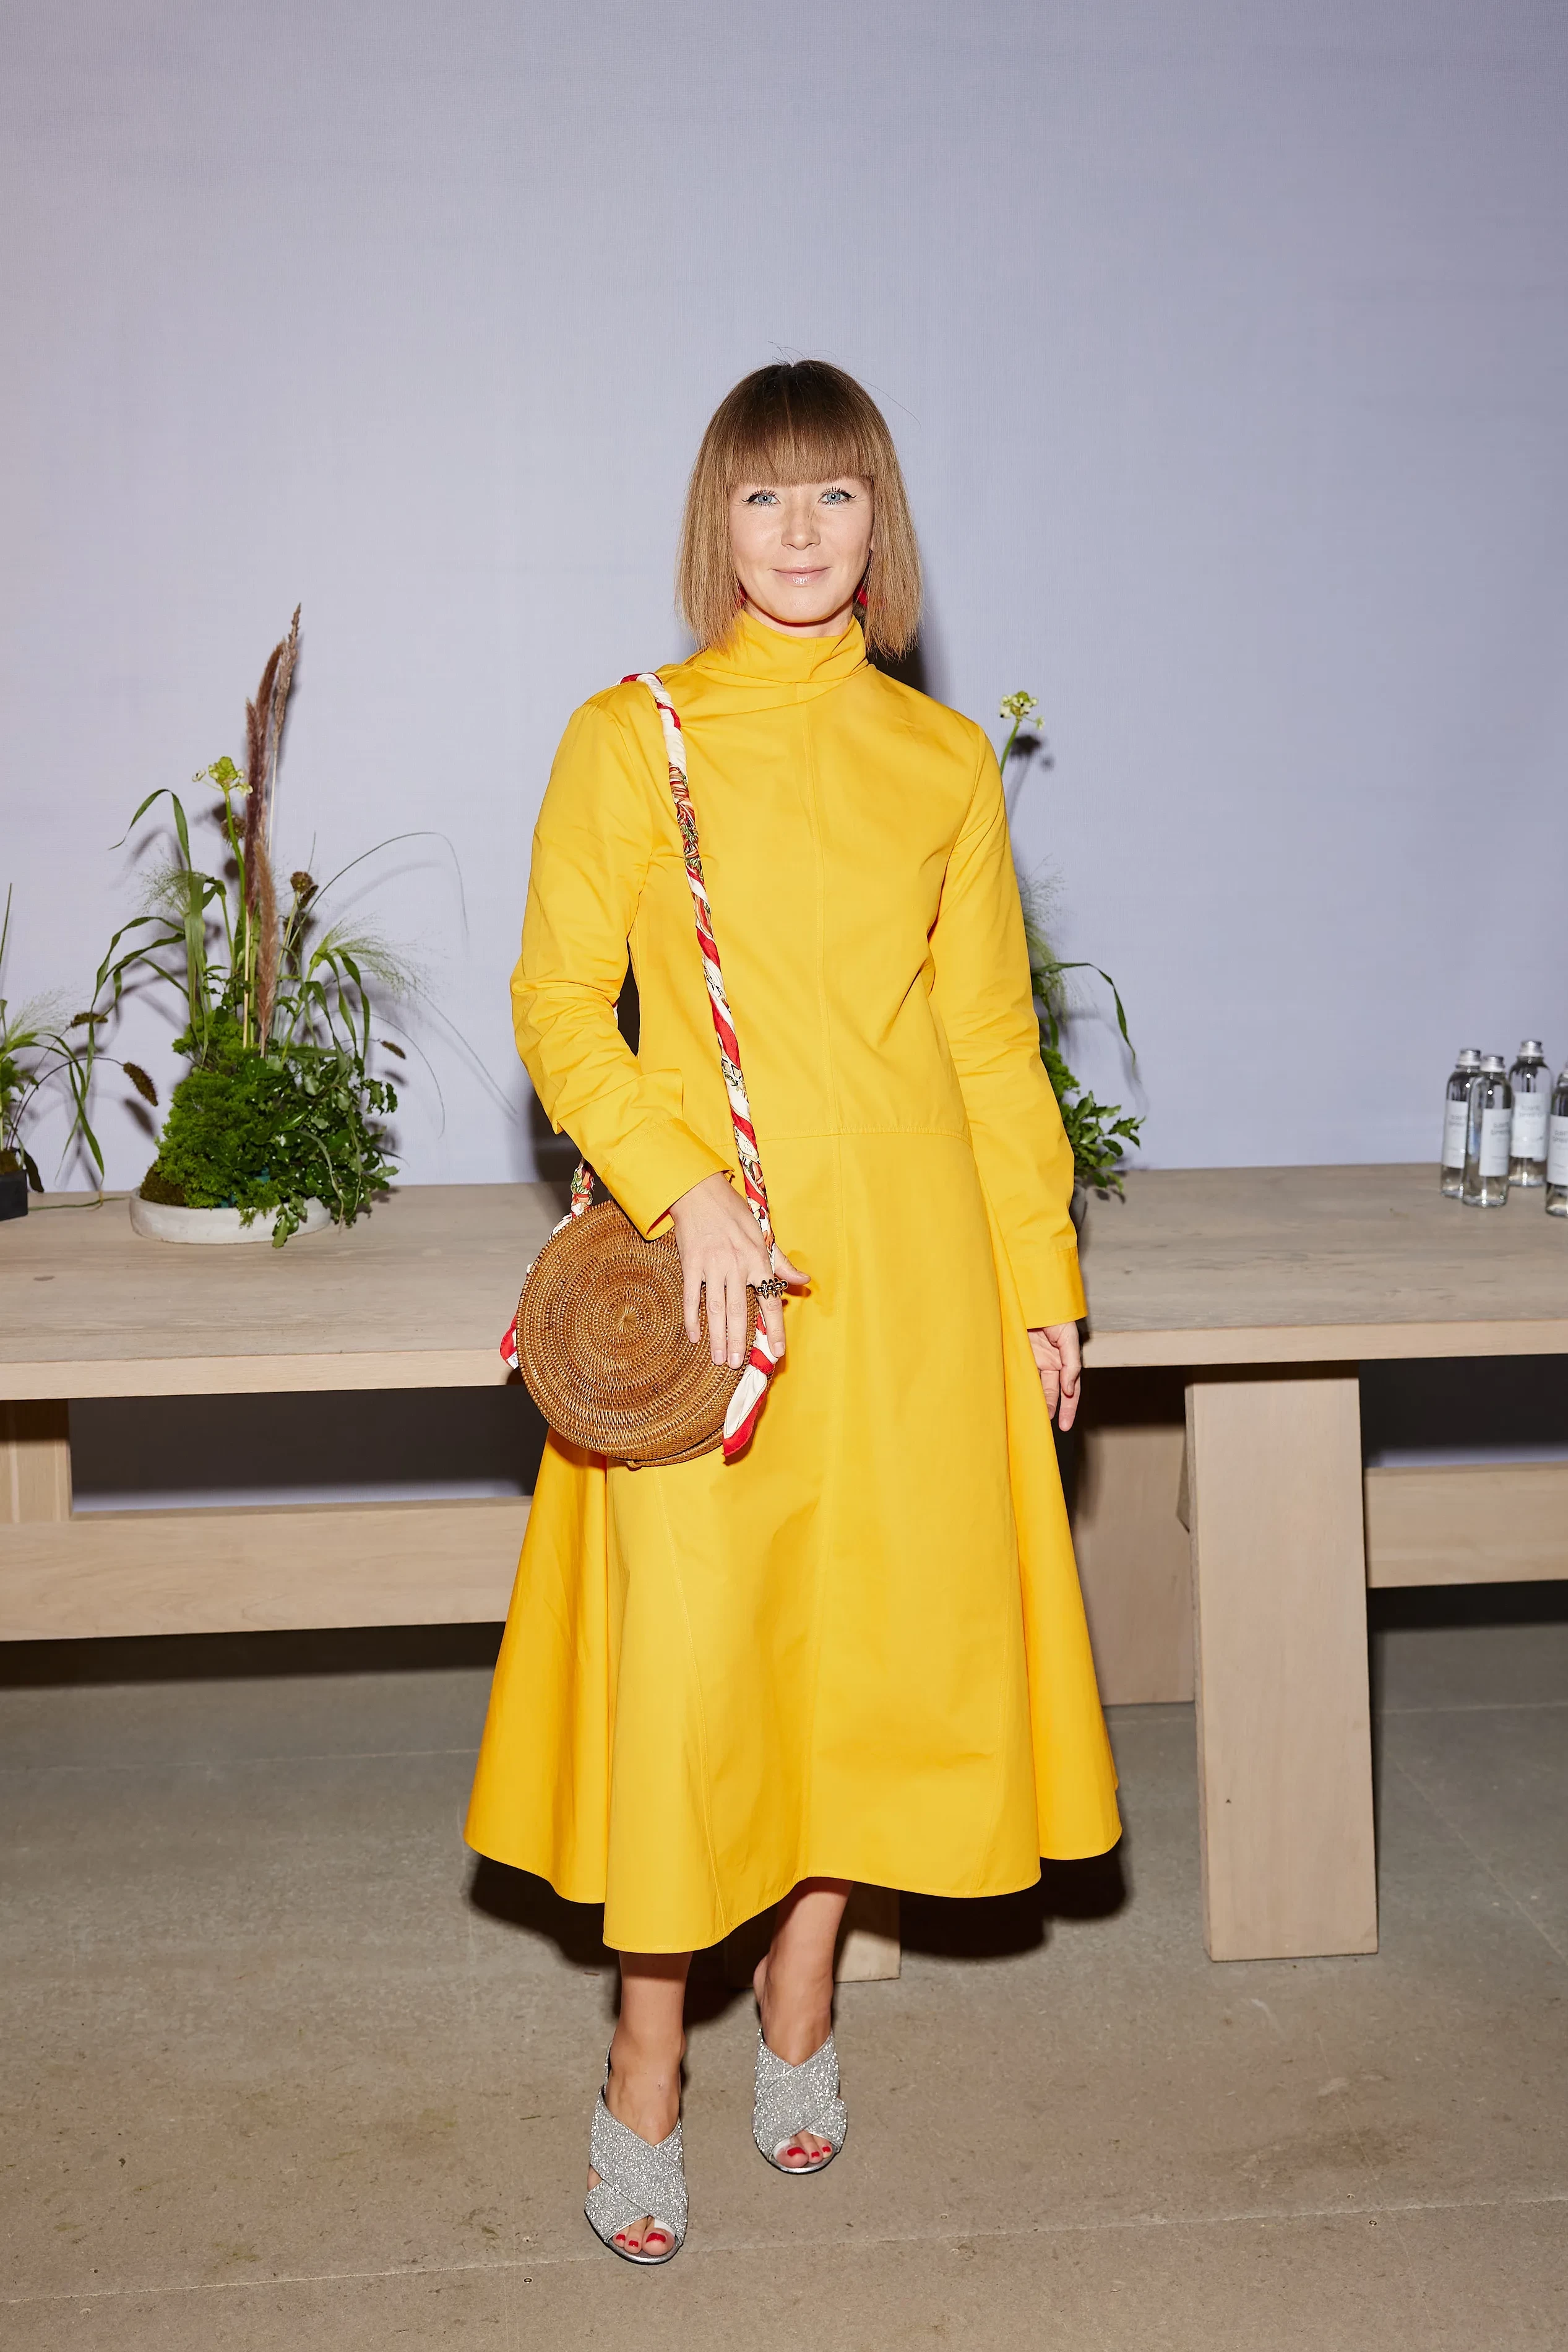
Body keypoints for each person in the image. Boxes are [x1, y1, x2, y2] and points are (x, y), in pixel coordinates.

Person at [465, 359, 1120, 2265]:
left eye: (836, 493)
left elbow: (990, 1047)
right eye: (764, 496)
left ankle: (806, 1993)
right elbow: (557, 1004)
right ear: (716, 525)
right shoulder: (631, 734)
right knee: (696, 1676)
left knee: (868, 1655)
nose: (802, 530)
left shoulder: (942, 762)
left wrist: (1040, 1285)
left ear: (878, 521)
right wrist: (680, 1182)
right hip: (708, 1279)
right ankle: (644, 2057)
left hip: (913, 1275)